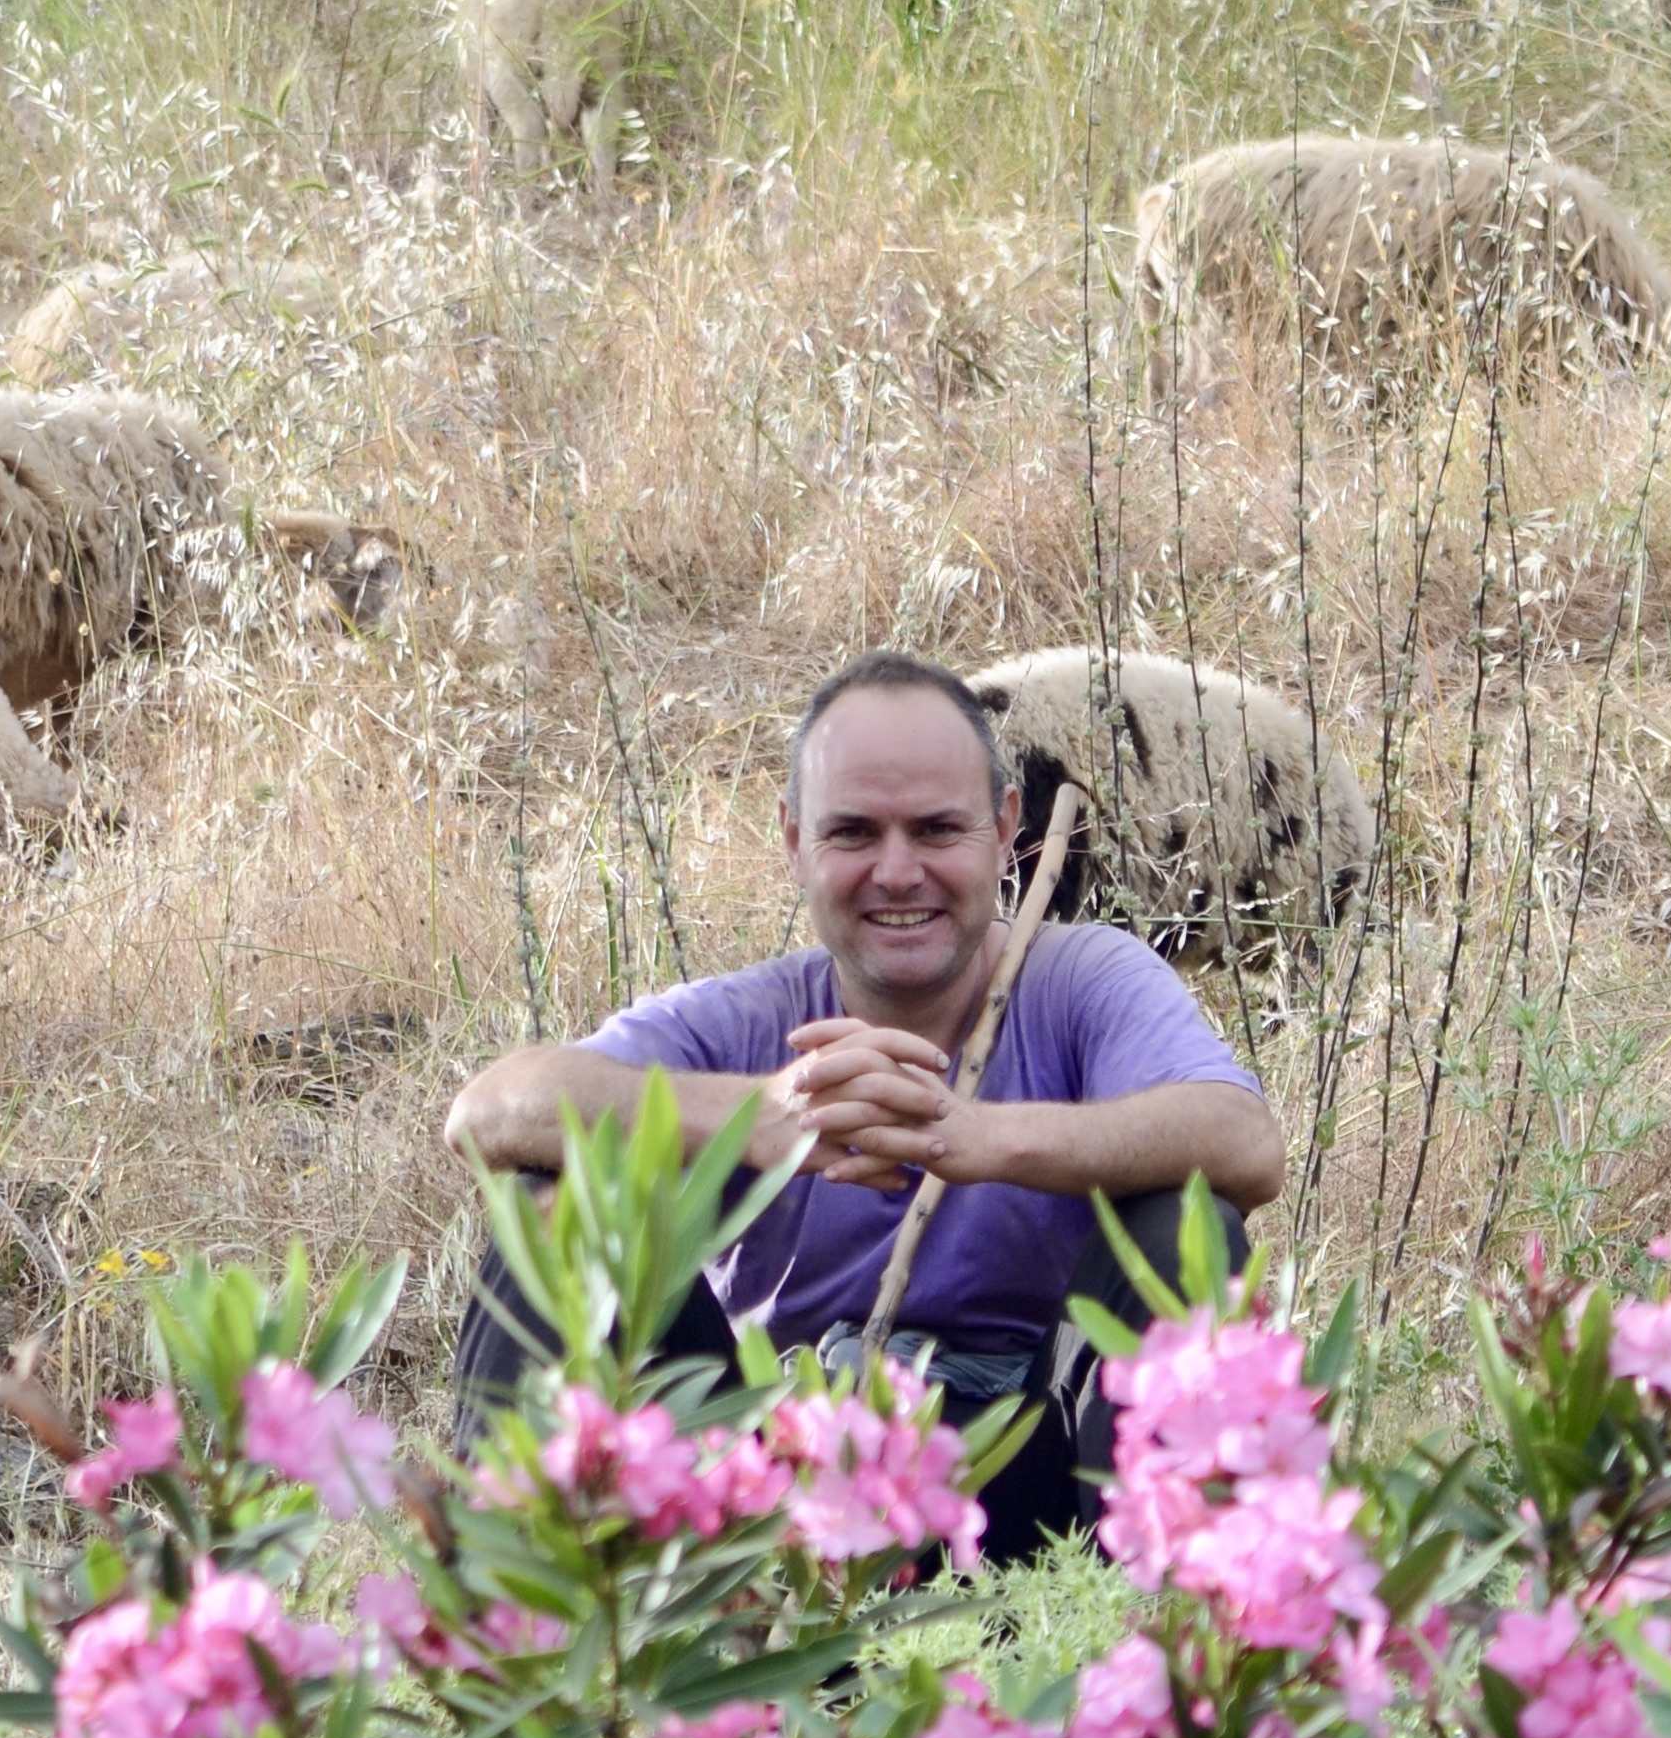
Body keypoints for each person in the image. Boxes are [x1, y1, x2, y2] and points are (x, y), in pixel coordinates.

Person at [441, 648, 1283, 1557]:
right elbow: (490, 1111)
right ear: (795, 840)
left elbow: (1243, 1142)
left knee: (1180, 1227)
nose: (896, 872)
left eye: (935, 830)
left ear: (1006, 831)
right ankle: (512, 1644)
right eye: (852, 833)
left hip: (1040, 1494)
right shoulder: (747, 1017)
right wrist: (760, 1118)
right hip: (774, 1501)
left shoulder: (1084, 979)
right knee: (554, 1206)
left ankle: (1185, 1637)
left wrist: (974, 1135)